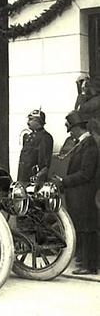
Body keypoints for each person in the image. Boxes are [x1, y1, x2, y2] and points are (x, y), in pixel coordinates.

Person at [53, 111, 98, 275]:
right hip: (79, 194)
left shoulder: (89, 145)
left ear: (78, 128)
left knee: (87, 229)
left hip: (84, 195)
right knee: (82, 227)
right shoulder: (83, 144)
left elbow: (86, 173)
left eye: (71, 129)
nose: (70, 133)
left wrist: (64, 181)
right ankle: (85, 261)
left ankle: (89, 265)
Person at [17, 109, 54, 182]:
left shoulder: (45, 137)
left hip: (34, 179)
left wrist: (38, 177)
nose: (28, 122)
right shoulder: (30, 136)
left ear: (38, 121)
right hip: (23, 177)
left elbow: (44, 164)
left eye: (31, 119)